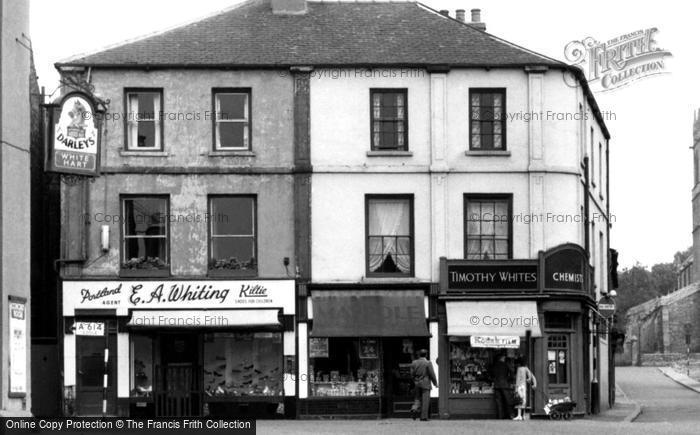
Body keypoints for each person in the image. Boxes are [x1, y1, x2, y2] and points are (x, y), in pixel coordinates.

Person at [410, 349, 438, 421]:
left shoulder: (414, 363)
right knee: (425, 400)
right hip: (425, 383)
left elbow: (412, 374)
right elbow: (432, 374)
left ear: (419, 355)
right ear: (426, 355)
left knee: (417, 398)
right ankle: (424, 417)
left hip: (417, 383)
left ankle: (414, 408)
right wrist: (435, 383)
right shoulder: (428, 363)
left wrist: (415, 381)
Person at [491, 353, 513, 419]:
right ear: (502, 358)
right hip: (505, 384)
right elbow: (511, 374)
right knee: (508, 401)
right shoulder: (506, 365)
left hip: (496, 385)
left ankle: (500, 416)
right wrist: (508, 380)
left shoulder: (494, 365)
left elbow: (492, 374)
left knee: (499, 402)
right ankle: (510, 415)